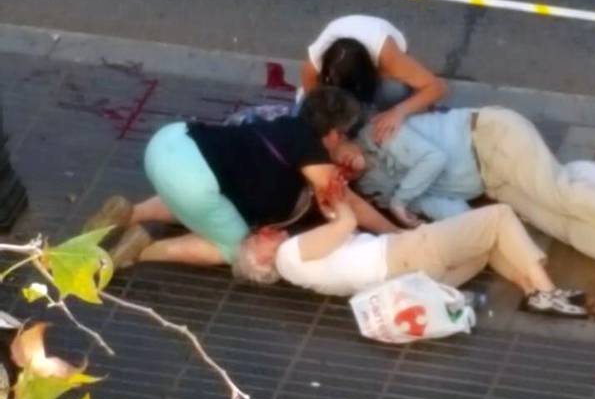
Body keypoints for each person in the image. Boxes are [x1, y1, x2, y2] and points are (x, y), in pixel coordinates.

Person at [86, 87, 397, 271]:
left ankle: (130, 213)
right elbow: (347, 204)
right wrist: (394, 232)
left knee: (206, 200)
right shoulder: (312, 150)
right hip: (197, 180)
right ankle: (142, 250)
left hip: (170, 143)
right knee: (233, 248)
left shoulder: (281, 122)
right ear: (335, 133)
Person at [336, 105, 595, 270]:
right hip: (495, 184)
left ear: (339, 137)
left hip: (490, 137)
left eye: (335, 153)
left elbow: (432, 158)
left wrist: (401, 199)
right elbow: (449, 209)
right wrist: (453, 232)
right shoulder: (378, 191)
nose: (342, 164)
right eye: (336, 169)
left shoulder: (375, 132)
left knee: (561, 195)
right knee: (565, 230)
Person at [234, 200, 588, 318]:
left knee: (486, 247)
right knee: (498, 216)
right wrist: (337, 196)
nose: (267, 232)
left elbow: (342, 248)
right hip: (406, 253)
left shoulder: (299, 276)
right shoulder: (291, 252)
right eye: (258, 238)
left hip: (415, 283)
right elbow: (348, 222)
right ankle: (545, 292)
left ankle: (530, 289)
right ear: (262, 259)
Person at [300, 14, 446, 142]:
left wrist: (398, 112)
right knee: (308, 115)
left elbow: (437, 87)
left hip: (382, 66)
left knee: (395, 90)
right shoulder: (316, 63)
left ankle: (381, 106)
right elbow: (313, 102)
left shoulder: (388, 57)